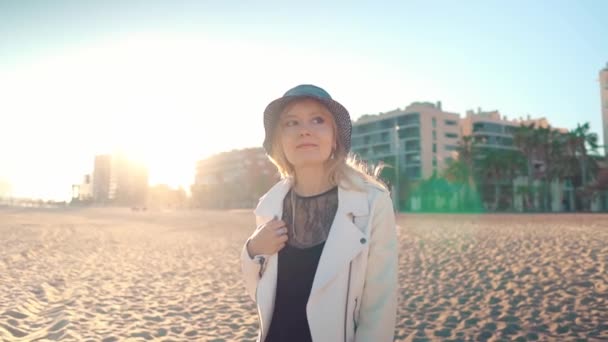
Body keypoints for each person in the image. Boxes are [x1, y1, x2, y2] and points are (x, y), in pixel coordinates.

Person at [240, 84, 398, 342]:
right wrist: (252, 250)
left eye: (317, 120)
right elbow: (259, 293)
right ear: (279, 139)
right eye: (291, 123)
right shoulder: (270, 204)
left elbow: (379, 307)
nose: (305, 130)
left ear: (335, 136)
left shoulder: (372, 204)